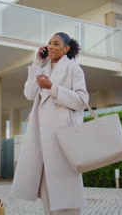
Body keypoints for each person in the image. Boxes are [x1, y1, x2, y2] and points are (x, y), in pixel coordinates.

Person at [10, 32, 89, 215]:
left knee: (66, 189)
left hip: (63, 137)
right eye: (49, 43)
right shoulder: (43, 70)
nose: (50, 47)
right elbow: (29, 94)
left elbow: (81, 101)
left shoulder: (74, 69)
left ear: (66, 48)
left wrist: (52, 88)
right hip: (41, 137)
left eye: (56, 43)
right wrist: (37, 63)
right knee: (46, 188)